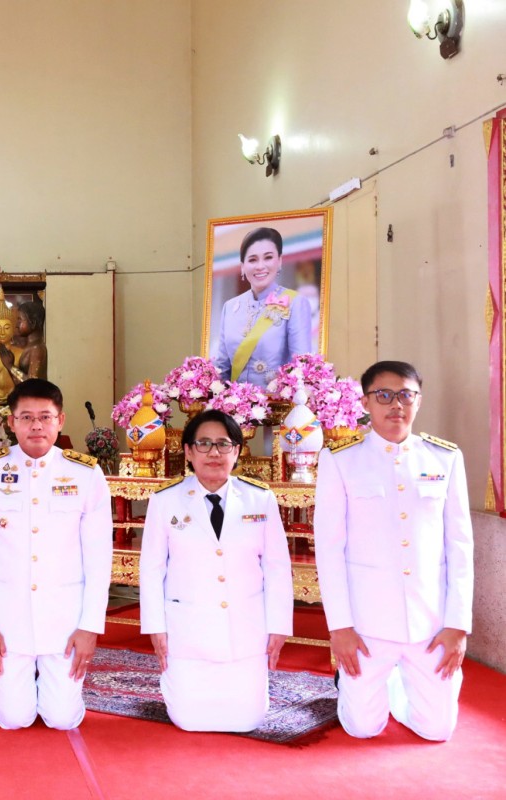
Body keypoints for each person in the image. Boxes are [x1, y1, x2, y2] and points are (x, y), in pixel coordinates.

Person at [314, 360, 473, 742]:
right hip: (367, 625)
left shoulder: (445, 458)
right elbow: (330, 550)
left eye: (406, 395)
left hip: (429, 623)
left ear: (419, 401)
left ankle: (401, 687)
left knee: (438, 731)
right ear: (366, 402)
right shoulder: (340, 460)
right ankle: (359, 687)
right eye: (383, 395)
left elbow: (460, 546)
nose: (395, 404)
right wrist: (341, 628)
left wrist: (457, 625)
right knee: (362, 729)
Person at [0, 378, 112, 730]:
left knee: (62, 719)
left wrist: (90, 626)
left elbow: (99, 556)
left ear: (61, 420)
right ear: (11, 423)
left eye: (45, 416)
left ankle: (57, 689)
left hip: (65, 619)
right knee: (13, 719)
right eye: (26, 417)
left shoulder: (85, 473)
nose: (36, 425)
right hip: (7, 618)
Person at [140, 409, 293, 732]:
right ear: (188, 451)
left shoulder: (259, 499)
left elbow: (278, 567)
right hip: (188, 632)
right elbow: (152, 570)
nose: (213, 453)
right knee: (188, 720)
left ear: (236, 451)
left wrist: (279, 625)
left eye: (223, 444)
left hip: (245, 630)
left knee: (247, 720)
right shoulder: (165, 501)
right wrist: (156, 627)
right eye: (204, 444)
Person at [211, 227, 313, 388]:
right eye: (252, 260)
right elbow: (222, 368)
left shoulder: (295, 302)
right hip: (233, 406)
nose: (260, 266)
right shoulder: (230, 307)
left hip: (277, 406)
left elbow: (302, 366)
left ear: (279, 261)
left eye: (268, 258)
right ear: (243, 266)